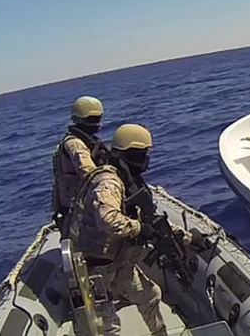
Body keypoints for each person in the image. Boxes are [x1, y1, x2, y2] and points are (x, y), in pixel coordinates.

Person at [66, 123, 168, 336]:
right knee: (108, 328)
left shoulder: (130, 182)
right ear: (131, 154)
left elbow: (154, 220)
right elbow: (109, 220)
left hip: (117, 262)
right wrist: (140, 229)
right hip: (92, 268)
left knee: (150, 295)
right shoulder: (109, 182)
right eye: (143, 154)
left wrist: (188, 238)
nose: (147, 159)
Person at [52, 96, 110, 233]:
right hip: (79, 209)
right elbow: (89, 173)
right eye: (94, 120)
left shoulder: (87, 142)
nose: (98, 124)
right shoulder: (75, 144)